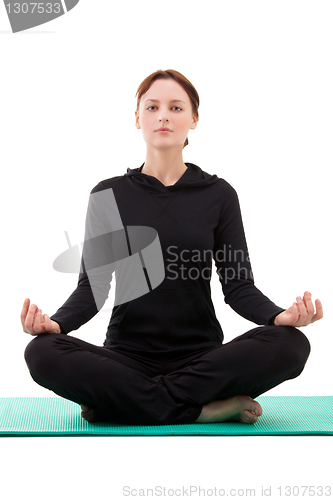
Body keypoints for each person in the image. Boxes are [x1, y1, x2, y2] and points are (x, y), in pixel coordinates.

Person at [22, 69, 323, 426]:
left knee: (291, 345)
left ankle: (124, 404)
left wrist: (279, 317)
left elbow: (239, 287)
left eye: (176, 107)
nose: (163, 115)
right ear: (137, 118)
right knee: (41, 353)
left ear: (193, 119)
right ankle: (201, 409)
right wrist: (55, 324)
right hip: (126, 359)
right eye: (152, 107)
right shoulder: (108, 194)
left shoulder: (219, 195)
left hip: (202, 360)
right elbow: (92, 289)